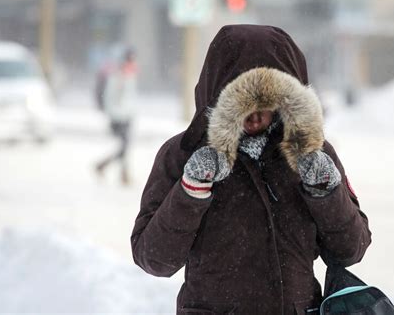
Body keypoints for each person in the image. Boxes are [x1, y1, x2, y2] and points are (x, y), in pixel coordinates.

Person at [130, 25, 371, 314]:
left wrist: (326, 193)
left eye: (266, 102)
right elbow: (154, 259)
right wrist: (190, 191)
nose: (254, 115)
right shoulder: (182, 154)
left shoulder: (311, 152)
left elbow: (350, 250)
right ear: (219, 95)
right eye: (241, 102)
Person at [95, 48, 138, 185]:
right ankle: (115, 170)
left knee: (125, 146)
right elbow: (109, 97)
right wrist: (113, 114)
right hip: (118, 117)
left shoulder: (130, 75)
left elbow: (130, 97)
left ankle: (111, 169)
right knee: (124, 146)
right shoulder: (117, 76)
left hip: (128, 115)